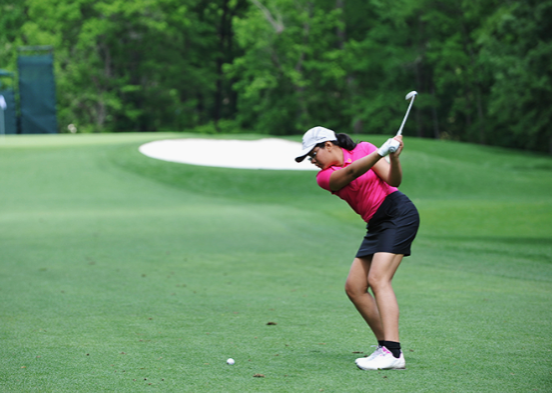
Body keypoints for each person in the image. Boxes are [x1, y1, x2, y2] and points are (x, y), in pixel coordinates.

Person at [295, 126, 419, 370]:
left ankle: (393, 353)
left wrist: (393, 157)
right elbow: (351, 172)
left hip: (397, 213)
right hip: (376, 224)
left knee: (378, 279)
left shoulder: (363, 148)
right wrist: (381, 152)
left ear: (328, 145)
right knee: (354, 288)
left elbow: (394, 180)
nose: (312, 161)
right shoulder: (325, 176)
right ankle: (386, 346)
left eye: (313, 154)